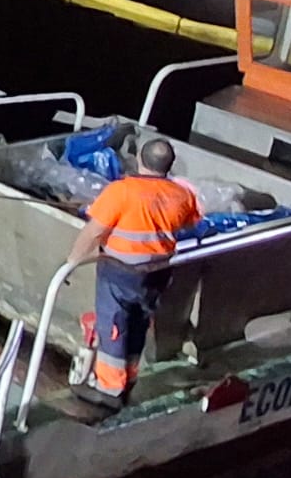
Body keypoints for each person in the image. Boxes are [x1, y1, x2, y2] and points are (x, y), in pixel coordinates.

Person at [64, 136, 201, 407]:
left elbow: (94, 231)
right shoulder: (183, 194)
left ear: (139, 159)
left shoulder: (121, 191)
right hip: (158, 274)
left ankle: (109, 389)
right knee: (139, 324)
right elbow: (189, 224)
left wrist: (72, 262)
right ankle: (129, 378)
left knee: (114, 326)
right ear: (169, 165)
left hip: (120, 272)